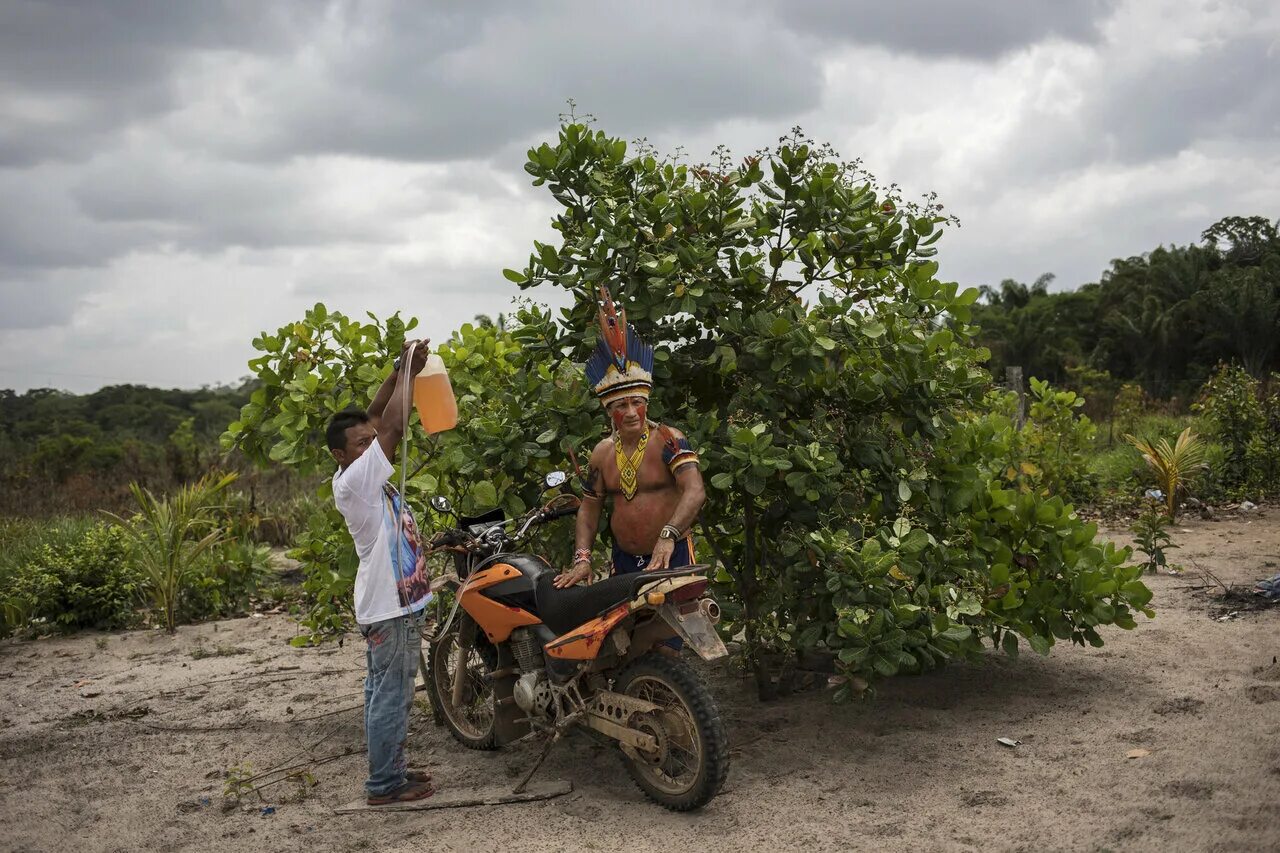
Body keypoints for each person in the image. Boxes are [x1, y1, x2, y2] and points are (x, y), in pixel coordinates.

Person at [326, 338, 436, 805]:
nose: (371, 444)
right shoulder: (357, 479)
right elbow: (390, 423)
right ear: (341, 455)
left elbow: (373, 422)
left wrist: (395, 372)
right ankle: (385, 785)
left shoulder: (355, 468)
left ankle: (390, 770)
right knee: (392, 695)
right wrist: (411, 374)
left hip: (385, 604)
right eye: (361, 443)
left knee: (381, 691)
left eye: (369, 441)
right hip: (390, 609)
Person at [554, 287, 707, 603]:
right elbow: (590, 506)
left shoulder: (669, 439)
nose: (629, 412)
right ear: (609, 411)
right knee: (622, 642)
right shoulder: (602, 453)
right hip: (624, 561)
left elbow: (695, 491)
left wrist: (668, 536)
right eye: (620, 406)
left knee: (670, 643)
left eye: (636, 402)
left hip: (671, 555)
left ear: (646, 404)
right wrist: (582, 558)